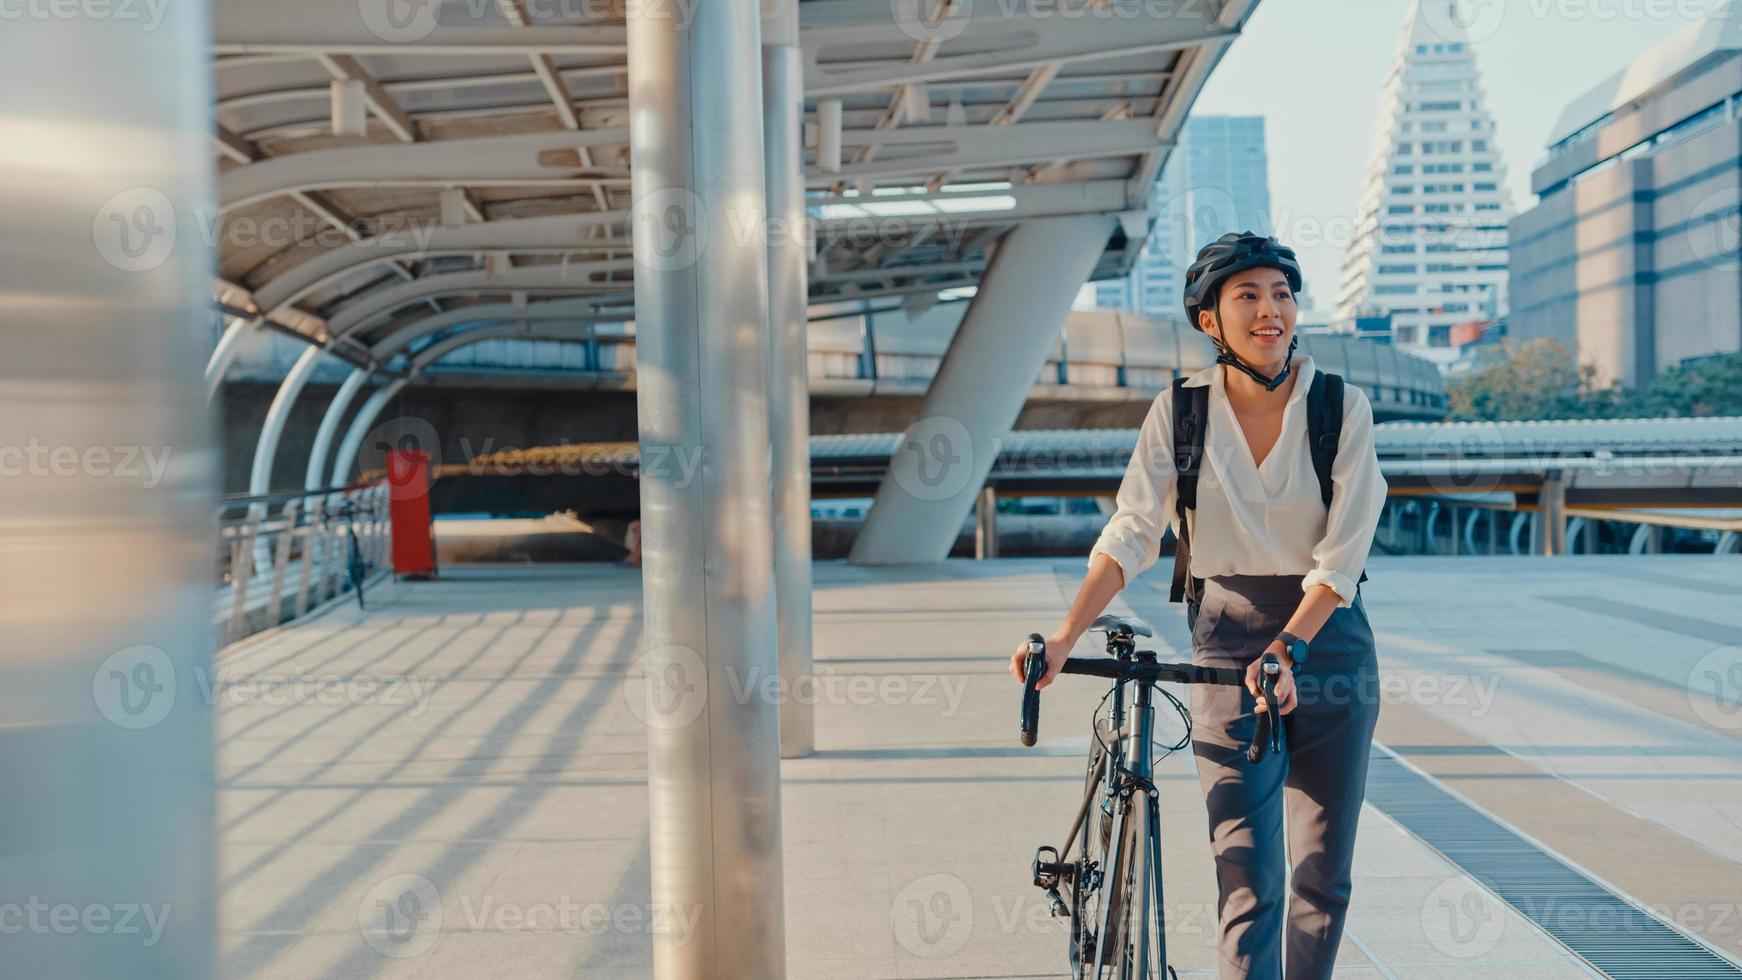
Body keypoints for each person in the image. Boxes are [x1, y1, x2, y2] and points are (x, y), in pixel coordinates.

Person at [1008, 232, 1388, 979]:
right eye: (1247, 296)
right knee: (1246, 876)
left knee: (1323, 875)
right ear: (1210, 319)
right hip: (1225, 646)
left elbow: (1343, 557)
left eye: (1281, 293)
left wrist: (1290, 649)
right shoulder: (1179, 414)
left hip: (1328, 647)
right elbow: (1132, 532)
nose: (1269, 309)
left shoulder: (1341, 407)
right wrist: (1062, 636)